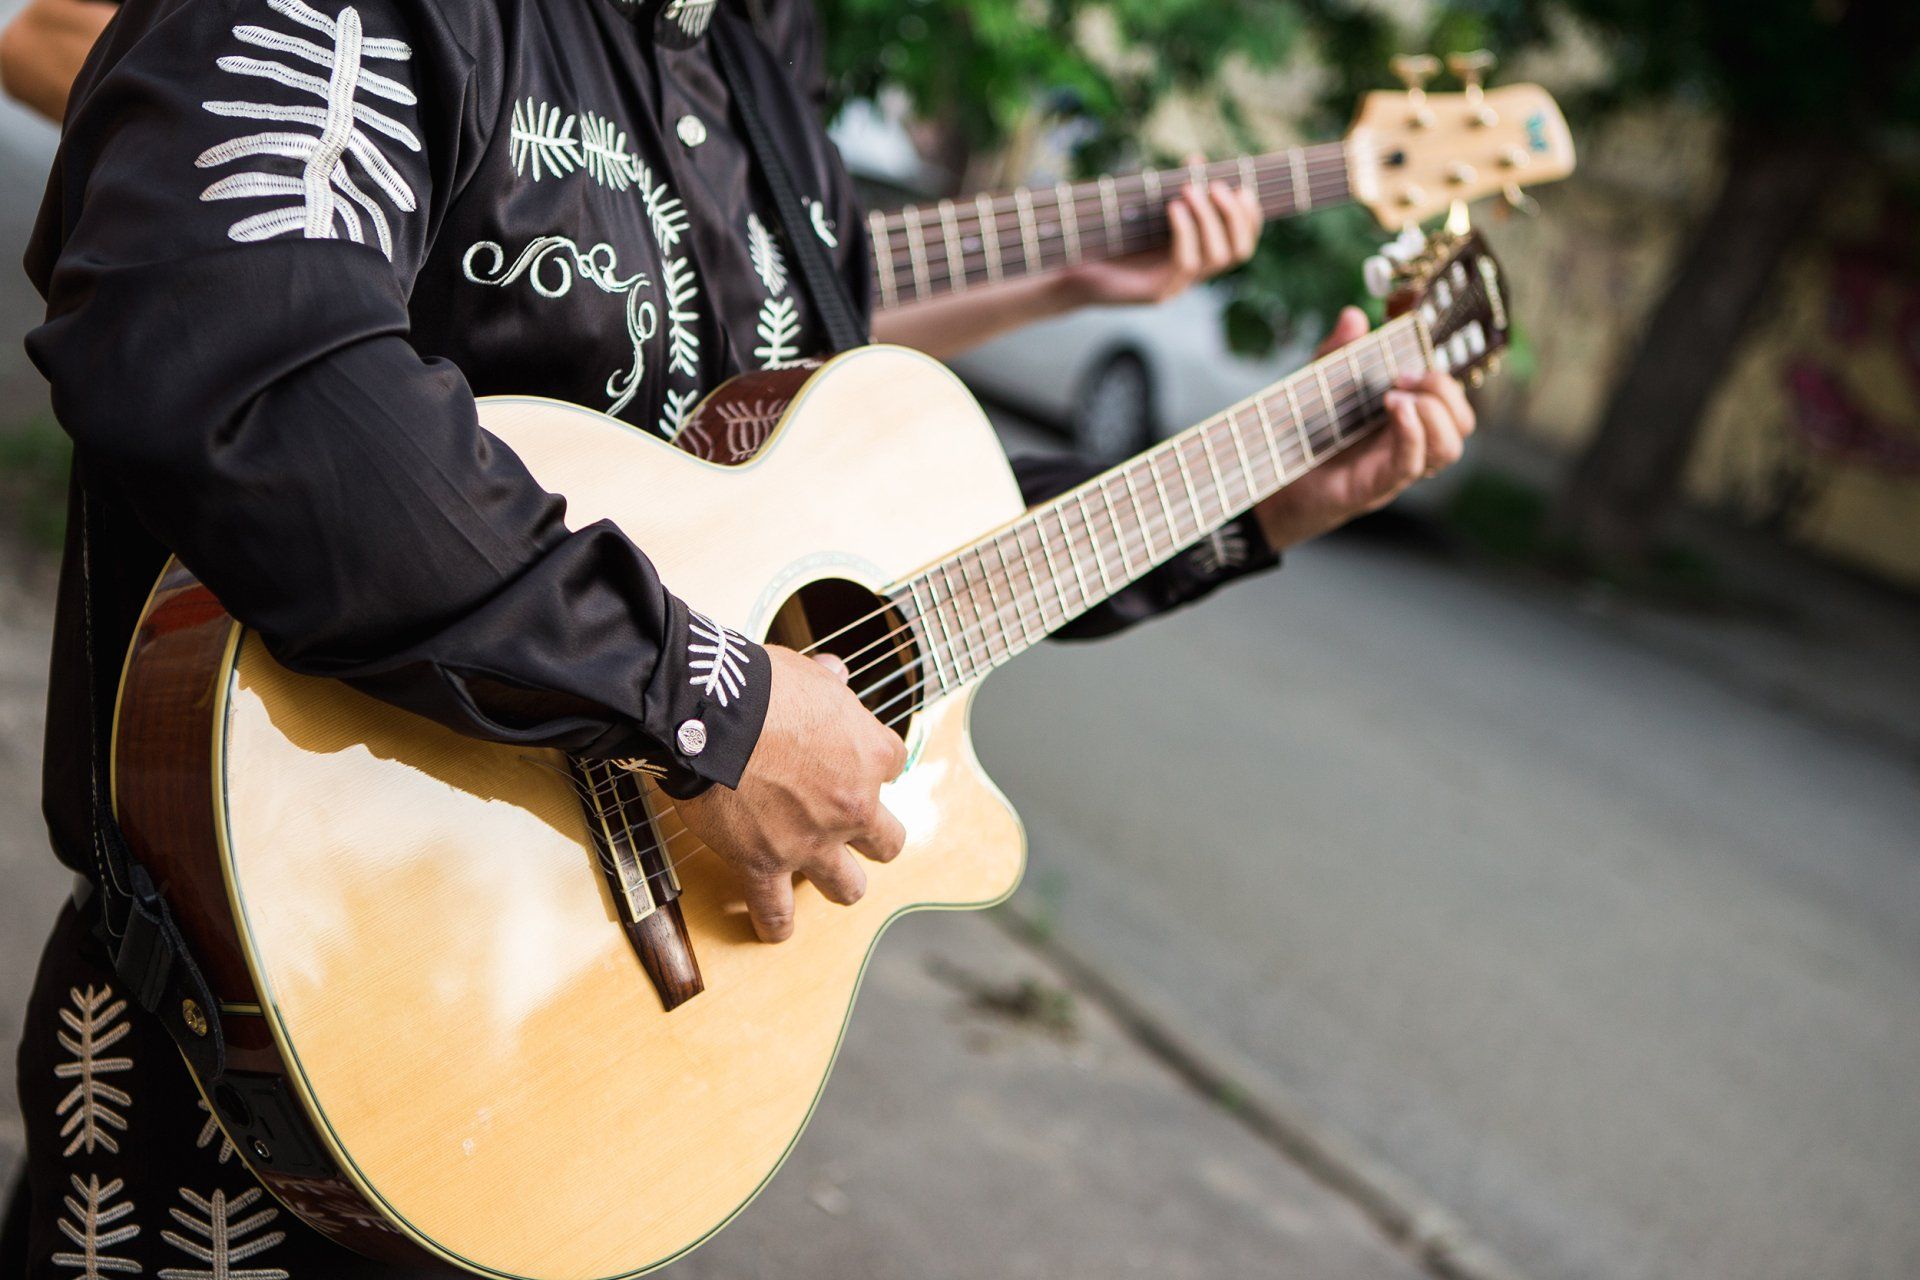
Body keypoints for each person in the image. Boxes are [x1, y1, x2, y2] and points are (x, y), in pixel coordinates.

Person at [2, 0, 1474, 1274]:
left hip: (592, 1088)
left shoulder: (756, 53)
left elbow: (872, 533)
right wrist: (714, 710)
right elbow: (250, 373)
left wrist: (1255, 508)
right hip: (264, 1043)